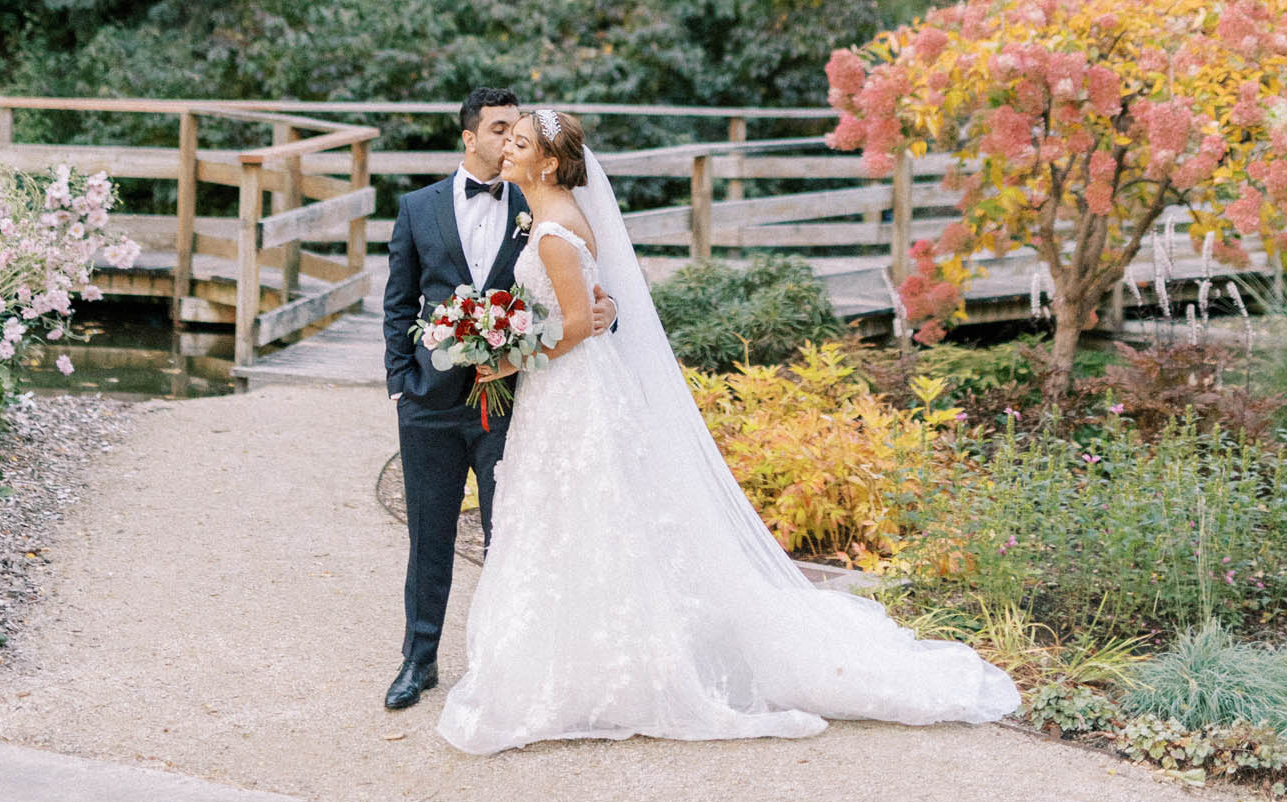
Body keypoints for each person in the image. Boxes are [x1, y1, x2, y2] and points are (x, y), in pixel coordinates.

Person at [438, 108, 1021, 753]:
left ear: (548, 164)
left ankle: (602, 669)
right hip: (571, 389)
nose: (508, 150)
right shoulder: (556, 214)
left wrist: (508, 357)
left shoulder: (552, 229)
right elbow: (585, 306)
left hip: (570, 390)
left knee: (582, 513)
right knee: (583, 516)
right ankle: (591, 660)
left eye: (520, 143)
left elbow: (575, 323)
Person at [381, 86, 616, 711]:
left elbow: (587, 285)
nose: (509, 140)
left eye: (517, 132)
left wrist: (610, 310)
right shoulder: (417, 207)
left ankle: (500, 663)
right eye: (498, 130)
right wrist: (401, 382)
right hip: (430, 401)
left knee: (508, 535)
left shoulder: (539, 203)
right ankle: (418, 660)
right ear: (469, 137)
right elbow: (399, 302)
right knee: (428, 536)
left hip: (513, 401)